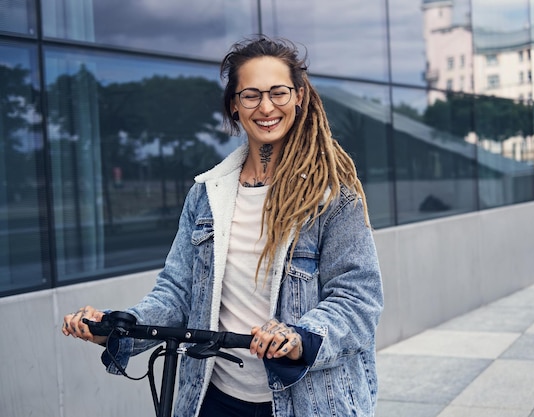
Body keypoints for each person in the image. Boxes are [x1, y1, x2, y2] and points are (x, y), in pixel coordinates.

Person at [62, 36, 384, 417]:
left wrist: (299, 336)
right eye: (251, 95)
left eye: (278, 93)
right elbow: (177, 293)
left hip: (308, 402)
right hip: (213, 399)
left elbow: (357, 300)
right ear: (234, 105)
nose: (266, 107)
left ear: (299, 96)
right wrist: (116, 326)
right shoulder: (206, 195)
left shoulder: (332, 197)